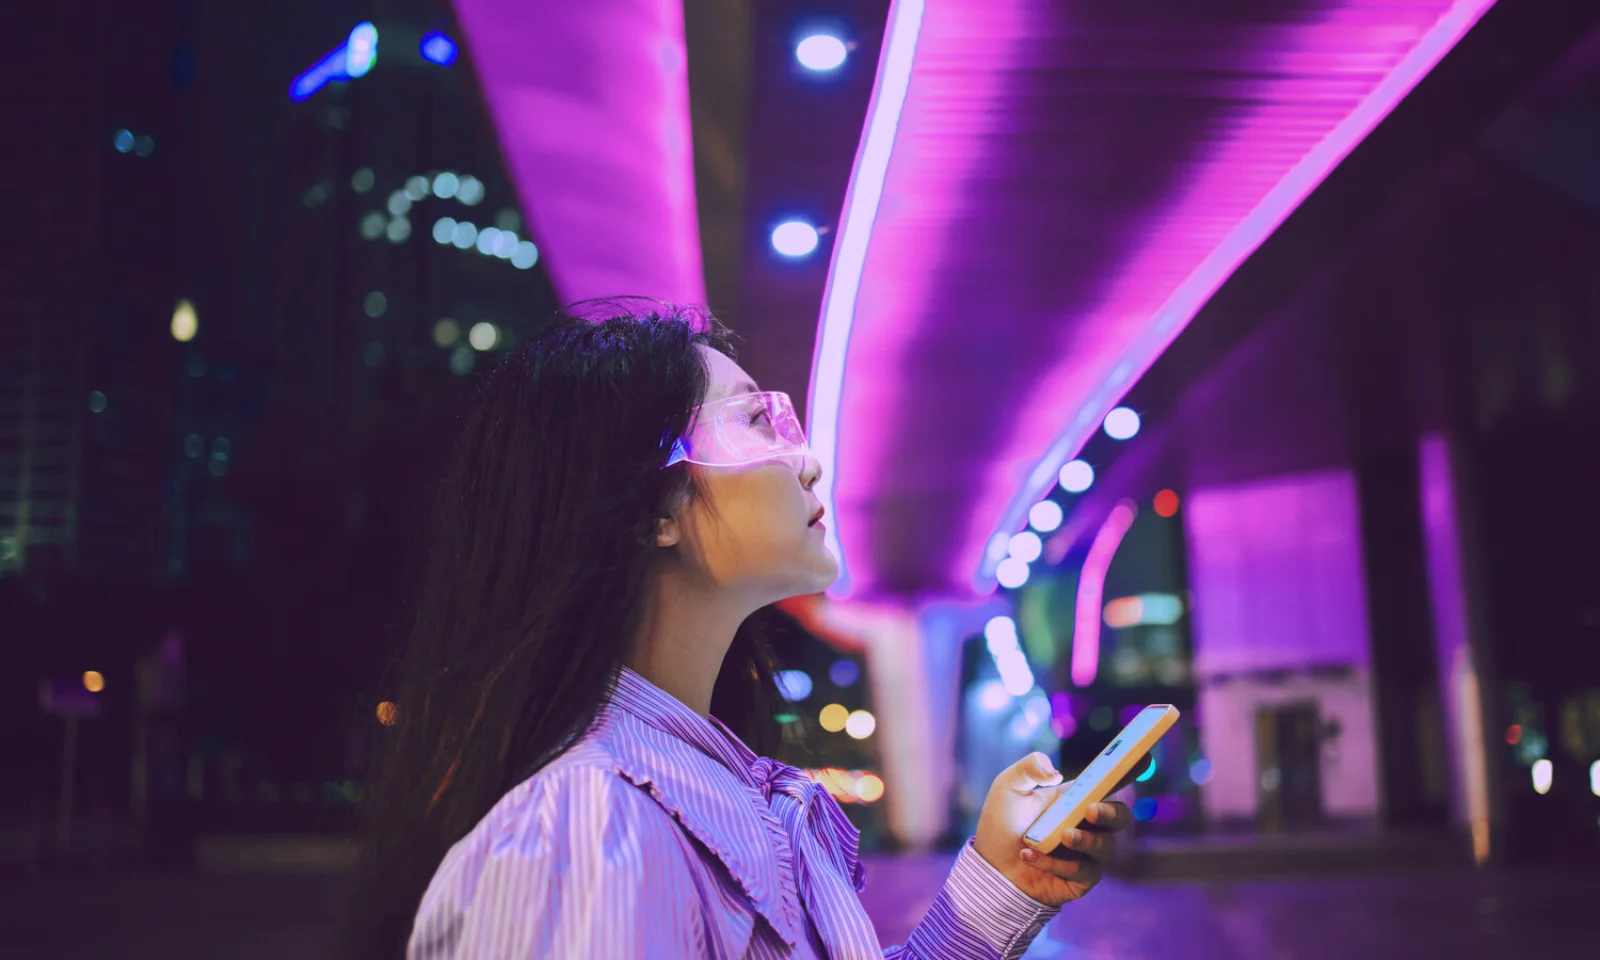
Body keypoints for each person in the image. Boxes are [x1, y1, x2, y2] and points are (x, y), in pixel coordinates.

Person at [349, 300, 1143, 959]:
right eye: (759, 422)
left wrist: (999, 881)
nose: (809, 462)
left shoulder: (691, 790)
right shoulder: (586, 830)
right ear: (651, 508)